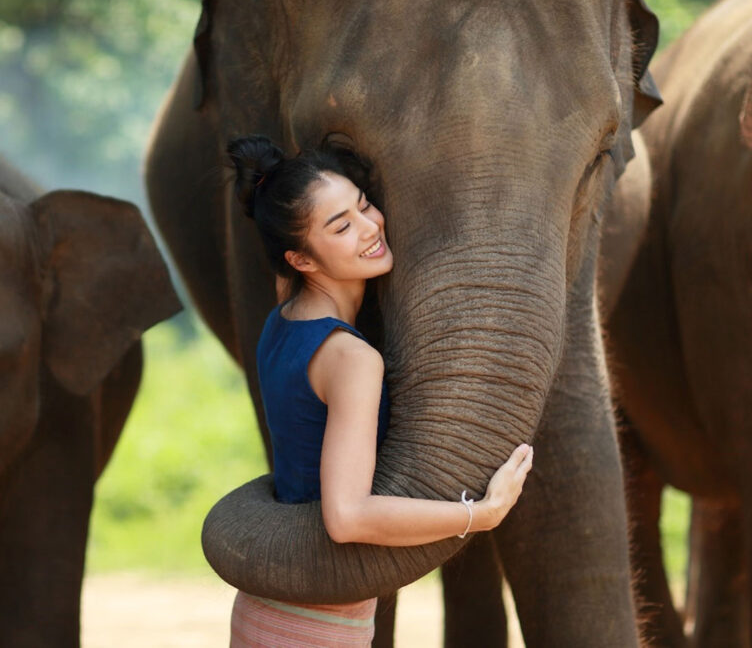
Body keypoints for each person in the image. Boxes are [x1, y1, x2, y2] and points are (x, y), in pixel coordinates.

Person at [226, 135, 534, 647]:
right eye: (341, 226)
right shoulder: (352, 360)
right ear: (301, 261)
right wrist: (481, 514)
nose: (369, 227)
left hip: (269, 606)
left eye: (364, 204)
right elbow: (346, 517)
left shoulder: (283, 316)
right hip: (317, 622)